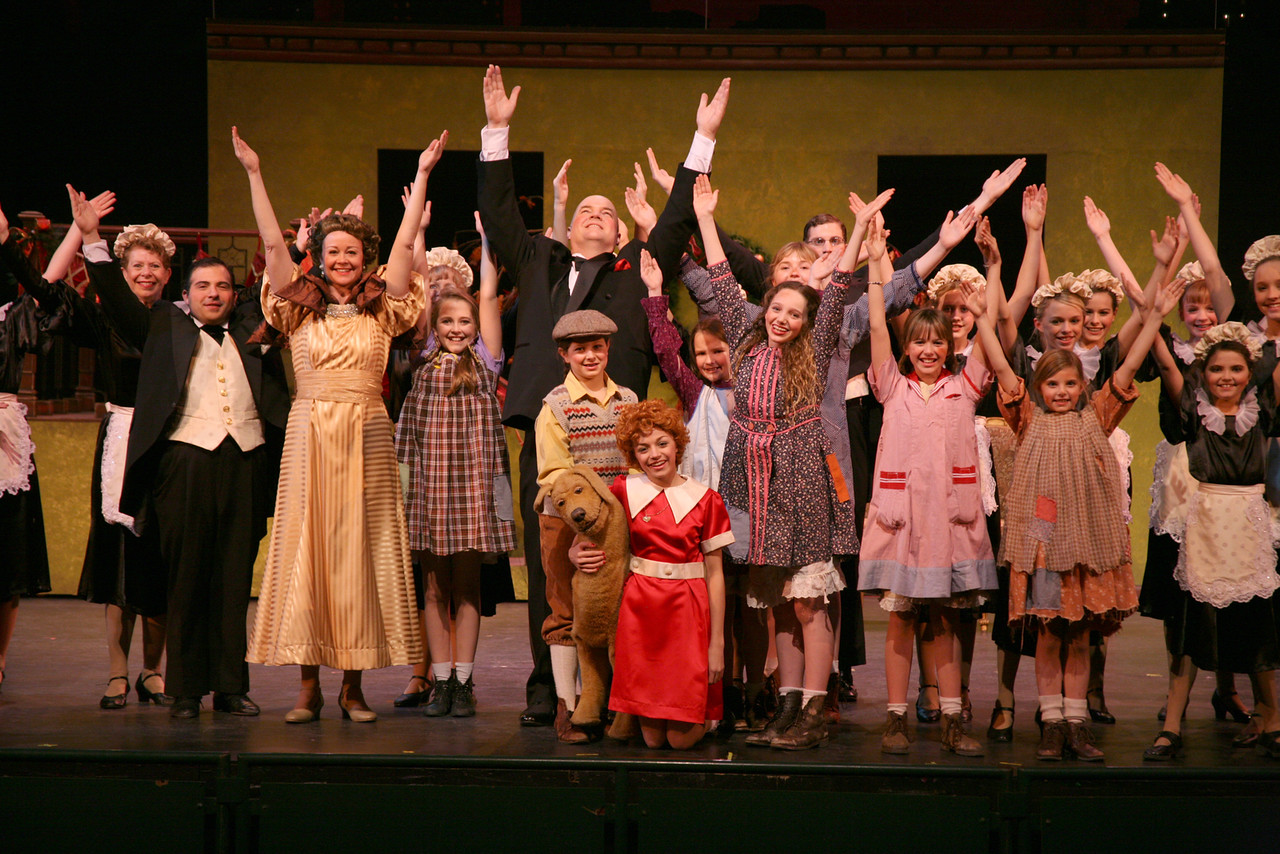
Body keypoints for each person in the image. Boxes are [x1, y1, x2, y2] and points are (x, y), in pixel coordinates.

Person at [476, 63, 729, 728]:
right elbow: (501, 218)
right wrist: (497, 133)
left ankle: (621, 686)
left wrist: (700, 141)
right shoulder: (540, 261)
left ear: (620, 235)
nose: (594, 214)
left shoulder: (632, 269)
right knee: (552, 558)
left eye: (606, 212)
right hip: (550, 430)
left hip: (618, 438)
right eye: (584, 209)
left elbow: (673, 223)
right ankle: (547, 686)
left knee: (621, 562)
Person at [231, 127, 441, 723]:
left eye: (352, 252)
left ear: (362, 259)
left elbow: (403, 253)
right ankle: (306, 686)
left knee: (358, 552)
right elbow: (273, 247)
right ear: (318, 260)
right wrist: (253, 173)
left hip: (369, 433)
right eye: (333, 252)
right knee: (307, 550)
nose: (343, 260)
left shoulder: (384, 306)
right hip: (310, 433)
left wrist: (423, 175)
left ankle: (352, 686)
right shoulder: (296, 305)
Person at [70, 185, 290, 720]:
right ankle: (188, 688)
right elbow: (120, 306)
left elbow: (285, 285)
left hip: (244, 462)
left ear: (235, 294)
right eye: (202, 286)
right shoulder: (162, 324)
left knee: (235, 578)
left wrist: (297, 239)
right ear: (184, 293)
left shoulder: (252, 329)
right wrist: (93, 239)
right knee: (187, 579)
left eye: (222, 286)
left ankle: (231, 687)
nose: (213, 293)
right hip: (184, 464)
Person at [698, 174, 891, 750]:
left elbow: (835, 291)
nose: (784, 317)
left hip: (802, 481)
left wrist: (856, 231)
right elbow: (721, 282)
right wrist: (707, 218)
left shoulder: (817, 338)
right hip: (752, 484)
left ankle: (813, 707)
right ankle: (784, 705)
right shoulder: (747, 338)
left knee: (809, 602)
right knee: (775, 605)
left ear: (809, 321)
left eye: (794, 312)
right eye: (776, 307)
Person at [985, 273, 1168, 761]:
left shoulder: (1098, 414)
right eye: (1052, 383)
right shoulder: (1027, 416)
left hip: (1086, 545)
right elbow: (1003, 367)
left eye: (1070, 383)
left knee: (1081, 637)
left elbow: (1128, 366)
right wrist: (984, 318)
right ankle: (1050, 721)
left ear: (1082, 385)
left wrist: (1151, 318)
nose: (1062, 391)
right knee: (1047, 634)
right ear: (1039, 386)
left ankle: (1076, 722)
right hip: (1044, 546)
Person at [0, 200, 174, 709]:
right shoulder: (101, 319)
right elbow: (42, 293)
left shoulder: (177, 321)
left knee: (159, 558)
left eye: (154, 266)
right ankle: (119, 672)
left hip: (171, 442)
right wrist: (9, 245)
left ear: (167, 274)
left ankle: (152, 671)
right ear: (120, 273)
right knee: (120, 559)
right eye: (136, 266)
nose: (145, 273)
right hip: (121, 435)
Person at [859, 216, 996, 758]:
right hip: (902, 519)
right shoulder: (891, 387)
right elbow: (874, 327)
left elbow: (988, 337)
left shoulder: (966, 387)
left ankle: (954, 719)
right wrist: (876, 266)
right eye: (919, 342)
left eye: (938, 342)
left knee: (944, 619)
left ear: (949, 346)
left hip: (950, 521)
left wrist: (988, 281)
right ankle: (894, 719)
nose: (929, 350)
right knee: (900, 619)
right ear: (908, 348)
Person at [396, 215, 515, 718]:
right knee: (433, 587)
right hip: (428, 488)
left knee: (467, 586)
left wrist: (488, 241)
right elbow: (421, 291)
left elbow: (487, 295)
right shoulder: (424, 354)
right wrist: (420, 234)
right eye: (448, 322)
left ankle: (464, 681)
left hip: (474, 490)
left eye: (464, 322)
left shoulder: (487, 361)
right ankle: (439, 680)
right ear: (435, 326)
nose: (457, 328)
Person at [1145, 321, 1280, 759]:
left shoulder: (1264, 411)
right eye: (1217, 368)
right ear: (1203, 373)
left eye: (1237, 369)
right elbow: (1166, 365)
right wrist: (1152, 314)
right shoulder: (1194, 414)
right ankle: (1171, 724)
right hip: (1206, 526)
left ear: (1250, 371)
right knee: (1191, 627)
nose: (1227, 377)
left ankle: (1272, 714)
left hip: (1248, 524)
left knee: (1256, 622)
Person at [570, 399, 733, 749]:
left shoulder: (706, 499)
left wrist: (716, 643)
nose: (654, 454)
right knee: (654, 740)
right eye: (642, 448)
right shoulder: (624, 491)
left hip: (688, 612)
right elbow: (588, 530)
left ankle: (706, 714)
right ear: (633, 454)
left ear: (678, 445)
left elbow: (716, 574)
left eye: (662, 443)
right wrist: (574, 551)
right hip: (641, 612)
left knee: (679, 741)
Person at [534, 309, 637, 742]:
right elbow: (556, 476)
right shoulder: (556, 406)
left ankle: (616, 702)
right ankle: (567, 705)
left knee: (617, 611)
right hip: (567, 523)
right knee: (566, 610)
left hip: (617, 522)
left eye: (597, 347)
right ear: (564, 354)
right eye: (580, 349)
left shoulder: (627, 400)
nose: (590, 356)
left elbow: (636, 459)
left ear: (608, 349)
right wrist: (579, 536)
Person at [0, 207, 60, 693]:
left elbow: (51, 282)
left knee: (7, 560)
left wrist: (80, 236)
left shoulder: (16, 314)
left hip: (4, 441)